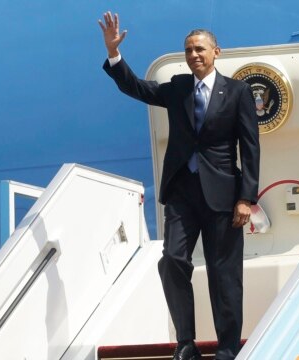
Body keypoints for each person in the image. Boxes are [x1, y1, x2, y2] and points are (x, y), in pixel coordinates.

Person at [98, 12, 260, 360]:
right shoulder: (178, 87)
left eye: (200, 49)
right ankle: (186, 342)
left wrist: (246, 198)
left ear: (217, 52)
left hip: (222, 195)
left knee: (224, 274)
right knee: (172, 260)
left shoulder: (238, 92)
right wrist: (115, 55)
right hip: (182, 194)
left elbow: (250, 147)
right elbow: (138, 88)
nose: (193, 55)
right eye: (188, 50)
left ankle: (227, 347)